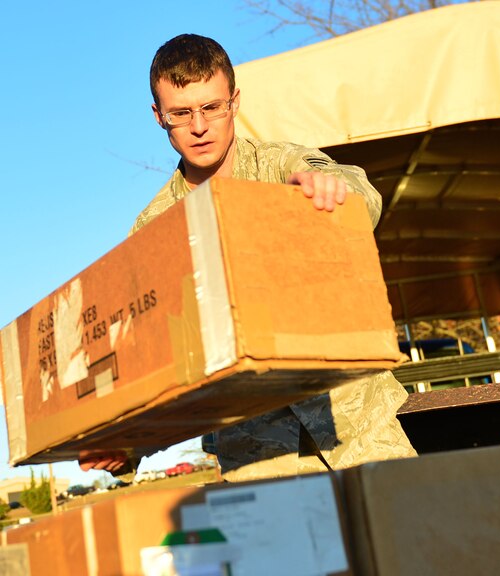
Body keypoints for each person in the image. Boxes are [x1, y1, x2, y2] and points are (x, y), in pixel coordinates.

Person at [79, 33, 416, 481]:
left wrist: (334, 196)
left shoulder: (281, 167)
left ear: (234, 102)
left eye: (211, 107)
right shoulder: (155, 230)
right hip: (258, 458)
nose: (199, 126)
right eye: (181, 113)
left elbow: (356, 192)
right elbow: (165, 364)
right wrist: (132, 445)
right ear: (158, 116)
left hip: (359, 426)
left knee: (407, 546)